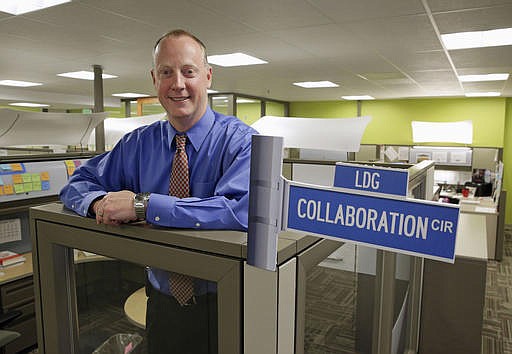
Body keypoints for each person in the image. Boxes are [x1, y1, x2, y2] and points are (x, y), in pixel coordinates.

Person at [60, 29, 257, 353]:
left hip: (228, 300)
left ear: (207, 76)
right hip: (162, 302)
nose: (177, 83)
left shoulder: (241, 142)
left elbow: (241, 210)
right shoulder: (136, 145)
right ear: (154, 79)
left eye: (188, 71)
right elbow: (77, 183)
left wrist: (143, 205)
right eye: (166, 72)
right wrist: (99, 202)